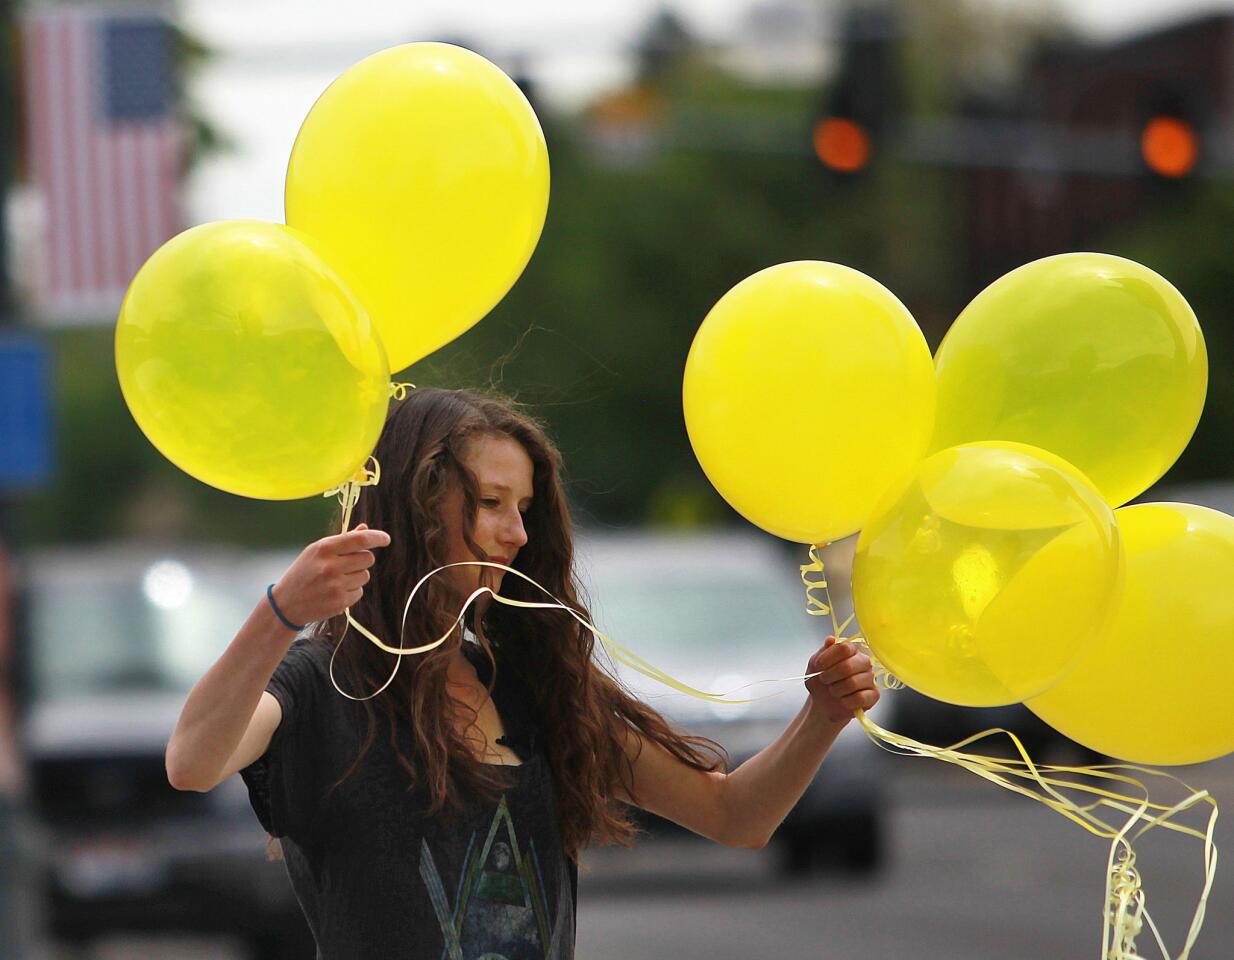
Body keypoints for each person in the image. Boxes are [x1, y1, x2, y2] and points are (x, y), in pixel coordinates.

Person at [165, 388, 879, 960]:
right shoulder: (325, 683)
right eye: (492, 503)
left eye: (526, 508)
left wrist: (822, 715)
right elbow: (193, 762)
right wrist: (279, 612)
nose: (519, 533)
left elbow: (734, 816)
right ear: (415, 504)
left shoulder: (531, 687)